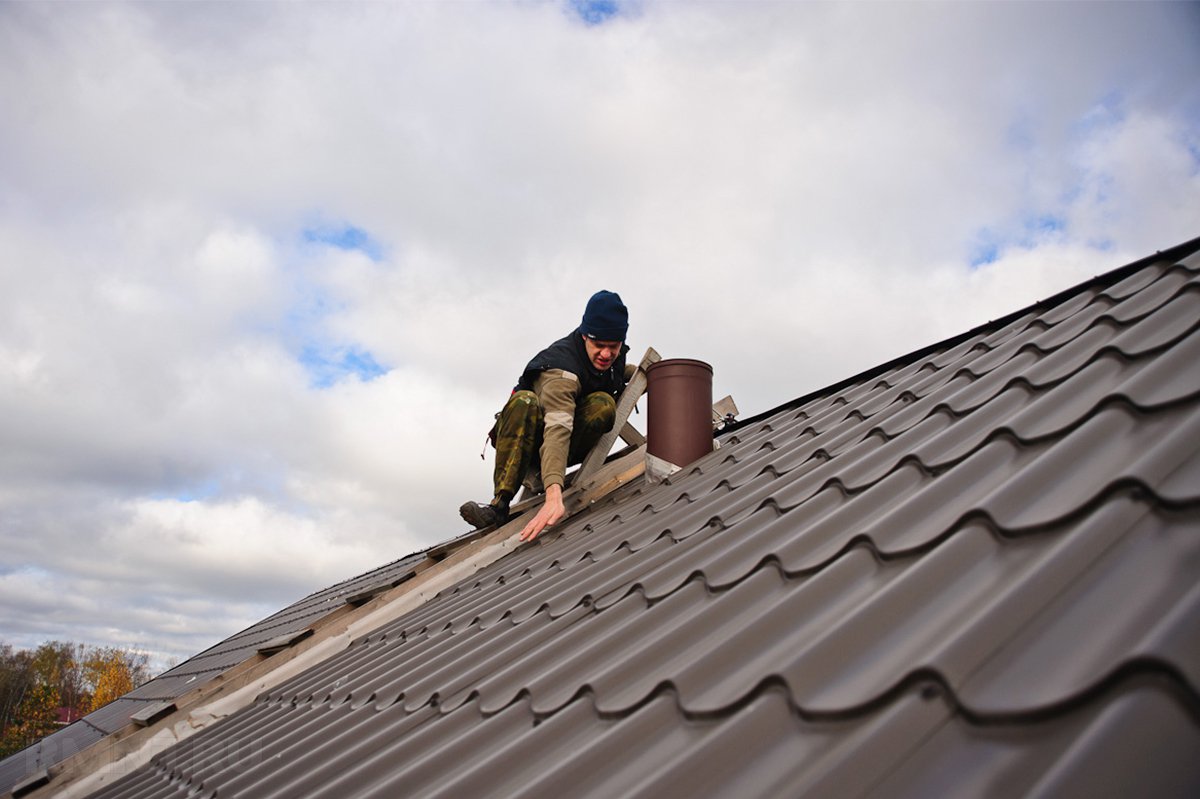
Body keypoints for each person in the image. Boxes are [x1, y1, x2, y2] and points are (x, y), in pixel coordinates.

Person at [460, 290, 634, 542]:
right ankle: (499, 505)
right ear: (585, 335)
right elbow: (557, 428)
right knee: (524, 401)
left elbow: (617, 372)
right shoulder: (559, 370)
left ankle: (546, 474)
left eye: (613, 347)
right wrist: (554, 495)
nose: (606, 355)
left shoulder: (610, 359)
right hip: (527, 442)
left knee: (603, 403)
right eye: (599, 346)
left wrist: (652, 374)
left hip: (567, 444)